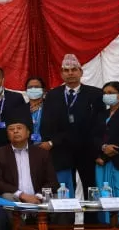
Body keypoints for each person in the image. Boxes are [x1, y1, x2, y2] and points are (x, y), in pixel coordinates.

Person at [40, 54, 101, 195]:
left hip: (87, 149)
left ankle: (91, 211)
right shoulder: (52, 95)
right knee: (65, 189)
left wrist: (97, 147)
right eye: (66, 70)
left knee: (91, 187)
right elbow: (46, 122)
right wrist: (50, 142)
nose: (70, 73)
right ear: (61, 74)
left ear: (81, 72)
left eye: (74, 69)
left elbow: (99, 123)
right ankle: (68, 211)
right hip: (61, 149)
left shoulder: (95, 93)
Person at [0, 120, 58, 203]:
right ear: (8, 135)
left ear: (28, 133)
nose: (15, 131)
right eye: (11, 129)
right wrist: (21, 195)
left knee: (58, 199)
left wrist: (38, 197)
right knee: (7, 197)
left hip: (39, 197)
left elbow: (52, 182)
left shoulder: (42, 153)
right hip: (15, 198)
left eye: (19, 128)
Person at [93, 81, 119, 223]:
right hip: (102, 163)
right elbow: (94, 136)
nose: (107, 96)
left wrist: (105, 156)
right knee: (105, 196)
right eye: (105, 93)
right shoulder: (102, 114)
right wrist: (103, 147)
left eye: (111, 93)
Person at [25, 76, 46, 145]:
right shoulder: (21, 109)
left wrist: (50, 143)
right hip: (28, 146)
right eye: (30, 87)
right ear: (26, 91)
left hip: (47, 146)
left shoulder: (51, 107)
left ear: (43, 90)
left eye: (37, 87)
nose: (33, 89)